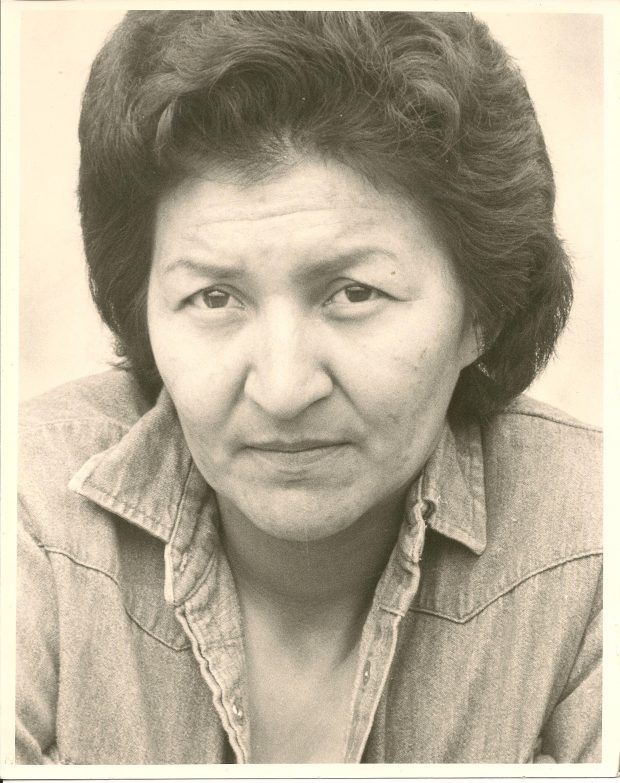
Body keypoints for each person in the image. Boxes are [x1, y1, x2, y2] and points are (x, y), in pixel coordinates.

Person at [16, 10, 602, 765]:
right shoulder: (31, 520)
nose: (285, 387)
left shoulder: (590, 545)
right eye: (215, 299)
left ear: (481, 312)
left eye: (354, 293)